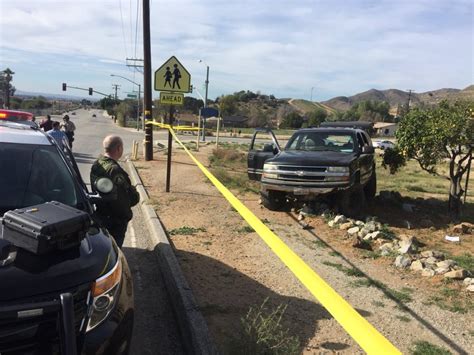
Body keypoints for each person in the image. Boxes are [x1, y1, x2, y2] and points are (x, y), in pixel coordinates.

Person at [90, 135, 139, 247]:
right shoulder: (114, 170)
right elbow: (122, 199)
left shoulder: (97, 164)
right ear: (118, 148)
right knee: (115, 250)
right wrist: (126, 215)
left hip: (101, 213)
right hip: (115, 220)